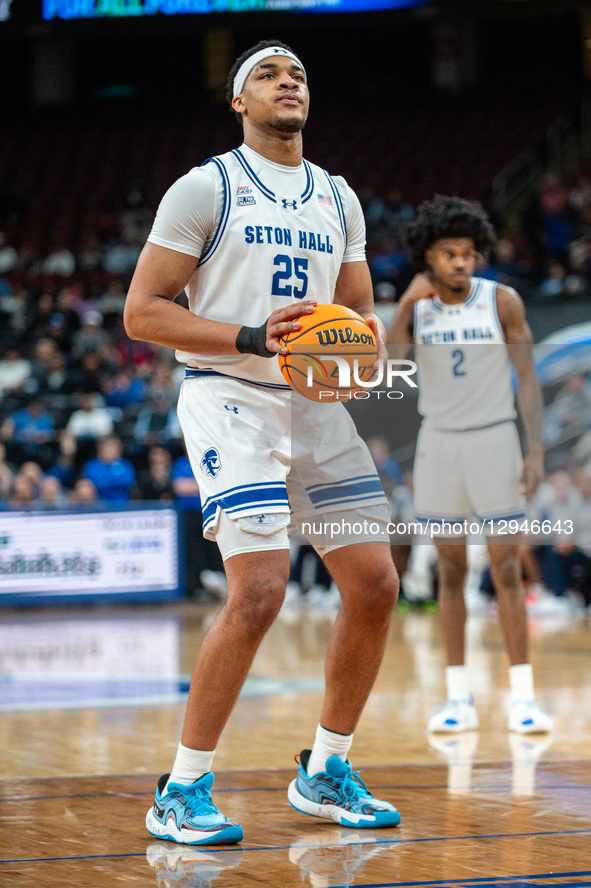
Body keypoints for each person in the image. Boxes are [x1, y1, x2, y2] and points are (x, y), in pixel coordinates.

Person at [124, 39, 401, 845]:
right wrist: (250, 337)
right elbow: (142, 312)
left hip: (311, 405)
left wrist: (358, 359)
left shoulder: (337, 197)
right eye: (269, 76)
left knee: (376, 583)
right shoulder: (205, 186)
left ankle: (324, 771)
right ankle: (181, 789)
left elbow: (357, 317)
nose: (289, 83)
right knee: (259, 591)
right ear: (239, 102)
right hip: (230, 396)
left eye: (300, 75)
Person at [389, 195, 553, 735]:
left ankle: (523, 697)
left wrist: (534, 451)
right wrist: (402, 312)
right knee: (450, 571)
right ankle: (458, 696)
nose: (460, 262)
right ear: (428, 259)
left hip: (494, 440)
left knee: (506, 569)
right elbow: (389, 375)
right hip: (439, 444)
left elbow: (527, 378)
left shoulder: (501, 301)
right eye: (448, 254)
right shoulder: (417, 305)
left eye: (467, 253)